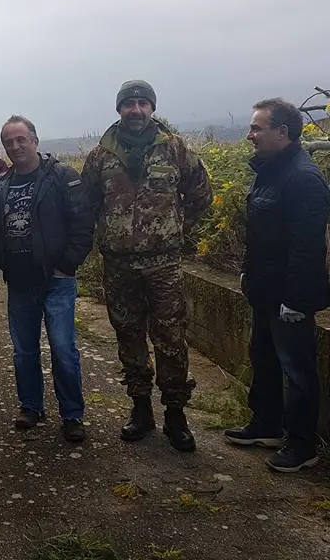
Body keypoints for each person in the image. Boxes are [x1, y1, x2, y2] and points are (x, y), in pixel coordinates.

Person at [82, 80, 212, 452]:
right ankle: (141, 410)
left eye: (142, 103)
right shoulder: (100, 156)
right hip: (119, 265)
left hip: (164, 264)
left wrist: (176, 229)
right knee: (128, 335)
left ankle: (175, 414)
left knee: (171, 338)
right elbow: (88, 203)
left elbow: (201, 194)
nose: (135, 110)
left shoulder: (174, 149)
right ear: (119, 109)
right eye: (129, 104)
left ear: (151, 108)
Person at [225, 99, 330, 472]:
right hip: (265, 289)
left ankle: (302, 446)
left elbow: (307, 247)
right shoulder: (269, 171)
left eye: (257, 128)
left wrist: (297, 299)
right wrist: (248, 275)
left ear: (282, 133)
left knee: (297, 370)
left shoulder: (303, 178)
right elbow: (263, 236)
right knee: (264, 359)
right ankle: (266, 425)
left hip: (290, 296)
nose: (250, 135)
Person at [0, 116, 94, 442]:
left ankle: (71, 414)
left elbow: (83, 223)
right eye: (9, 142)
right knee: (24, 350)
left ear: (35, 141)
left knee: (63, 348)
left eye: (21, 139)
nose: (15, 147)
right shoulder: (3, 183)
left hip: (57, 280)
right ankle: (31, 407)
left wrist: (67, 265)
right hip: (21, 282)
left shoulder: (62, 176)